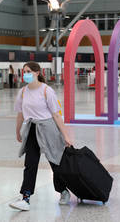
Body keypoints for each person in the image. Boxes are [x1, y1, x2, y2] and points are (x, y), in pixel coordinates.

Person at [9, 61, 72, 211]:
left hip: (48, 128)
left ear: (37, 73)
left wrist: (65, 135)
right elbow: (20, 114)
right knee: (30, 163)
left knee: (54, 162)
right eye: (24, 72)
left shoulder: (47, 91)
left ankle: (63, 191)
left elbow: (56, 115)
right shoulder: (23, 91)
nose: (25, 74)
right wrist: (18, 131)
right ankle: (25, 198)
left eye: (28, 71)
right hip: (31, 129)